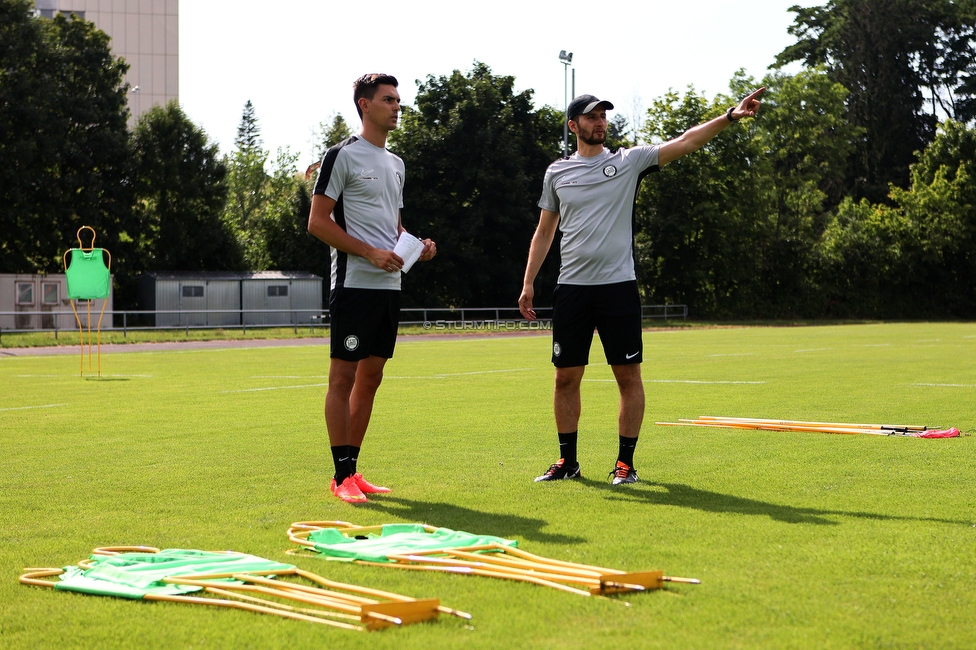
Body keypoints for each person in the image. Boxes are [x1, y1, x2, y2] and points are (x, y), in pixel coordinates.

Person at [518, 88, 764, 485]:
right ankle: (568, 462)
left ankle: (625, 464)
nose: (600, 122)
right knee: (565, 377)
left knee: (627, 376)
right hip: (572, 289)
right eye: (591, 116)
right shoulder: (556, 173)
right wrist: (528, 282)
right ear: (573, 125)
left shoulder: (628, 161)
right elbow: (545, 231)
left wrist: (730, 117)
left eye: (603, 116)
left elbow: (685, 141)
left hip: (618, 287)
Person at [307, 73, 436, 503]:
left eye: (399, 100)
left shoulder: (396, 163)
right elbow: (318, 222)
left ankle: (353, 470)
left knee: (372, 377)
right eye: (388, 99)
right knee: (342, 376)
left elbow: (394, 227)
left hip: (389, 287)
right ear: (364, 105)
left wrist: (418, 247)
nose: (397, 106)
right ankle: (339, 475)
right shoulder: (340, 155)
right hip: (354, 285)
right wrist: (369, 254)